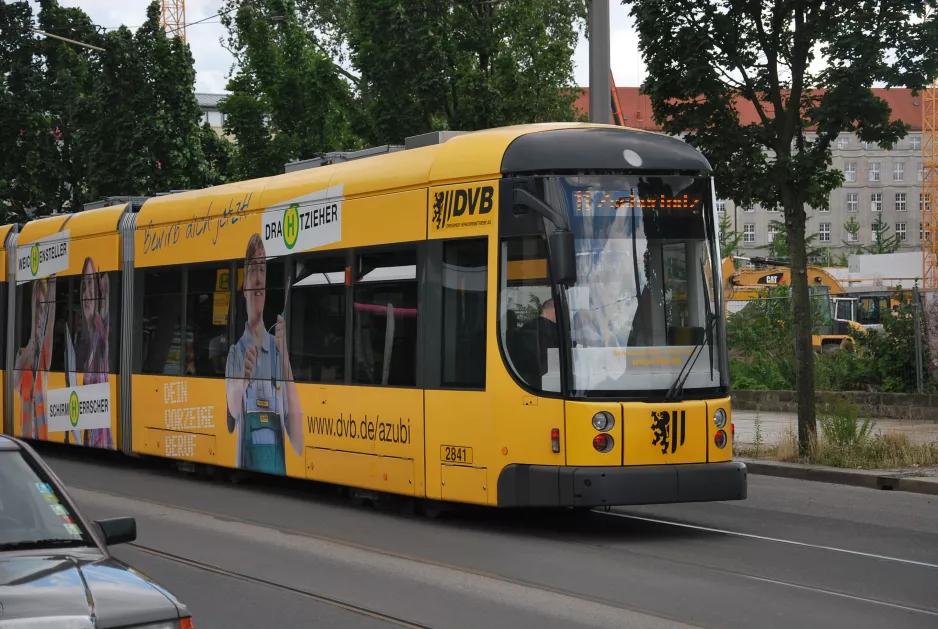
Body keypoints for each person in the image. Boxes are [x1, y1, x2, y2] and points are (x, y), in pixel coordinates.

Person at [225, 234, 302, 474]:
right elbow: (233, 409)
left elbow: (298, 441)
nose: (258, 280)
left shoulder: (280, 353)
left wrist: (285, 353)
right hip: (247, 469)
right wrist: (242, 380)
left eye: (263, 271)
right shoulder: (235, 353)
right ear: (244, 289)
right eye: (252, 272)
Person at [77, 257, 113, 449]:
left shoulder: (102, 330)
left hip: (101, 440)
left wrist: (104, 295)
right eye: (83, 285)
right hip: (89, 438)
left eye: (91, 283)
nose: (86, 291)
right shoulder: (80, 342)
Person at [14, 276, 56, 440]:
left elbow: (50, 321)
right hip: (25, 441)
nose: (40, 313)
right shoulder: (22, 353)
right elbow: (14, 383)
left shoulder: (45, 355)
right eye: (37, 306)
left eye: (43, 307)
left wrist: (52, 283)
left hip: (41, 441)